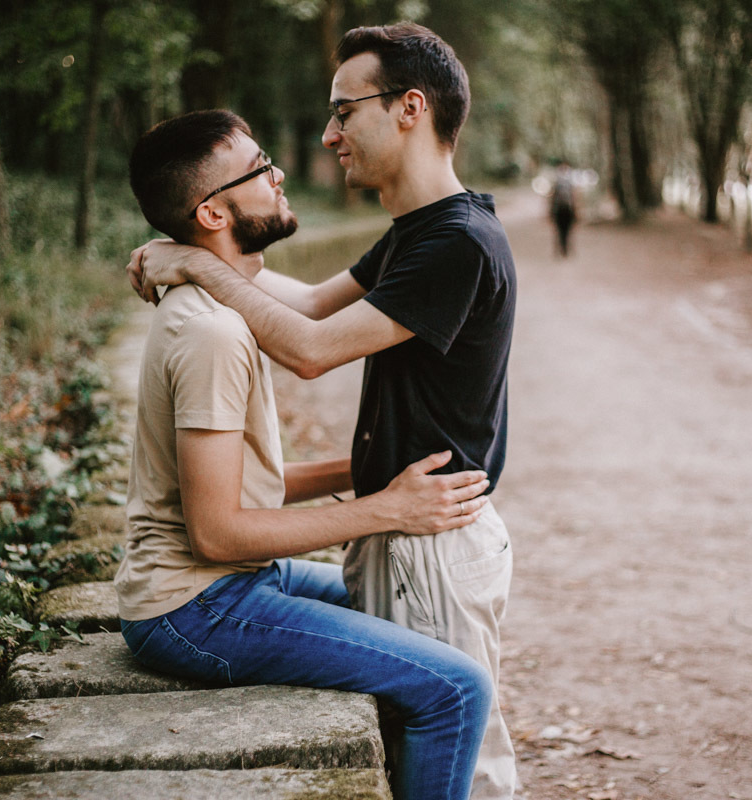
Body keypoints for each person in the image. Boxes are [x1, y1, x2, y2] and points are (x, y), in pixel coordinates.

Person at [127, 24, 518, 800]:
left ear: (410, 108)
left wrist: (198, 260)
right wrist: (197, 255)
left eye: (345, 110)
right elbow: (304, 303)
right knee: (450, 710)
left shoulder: (455, 242)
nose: (327, 133)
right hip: (391, 529)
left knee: (463, 730)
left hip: (427, 535)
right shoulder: (418, 233)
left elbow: (309, 346)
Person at [549, 160, 577, 257]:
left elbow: (574, 197)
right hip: (560, 209)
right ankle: (562, 248)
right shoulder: (557, 183)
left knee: (566, 230)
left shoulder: (570, 182)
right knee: (560, 230)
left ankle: (565, 248)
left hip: (567, 209)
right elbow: (552, 197)